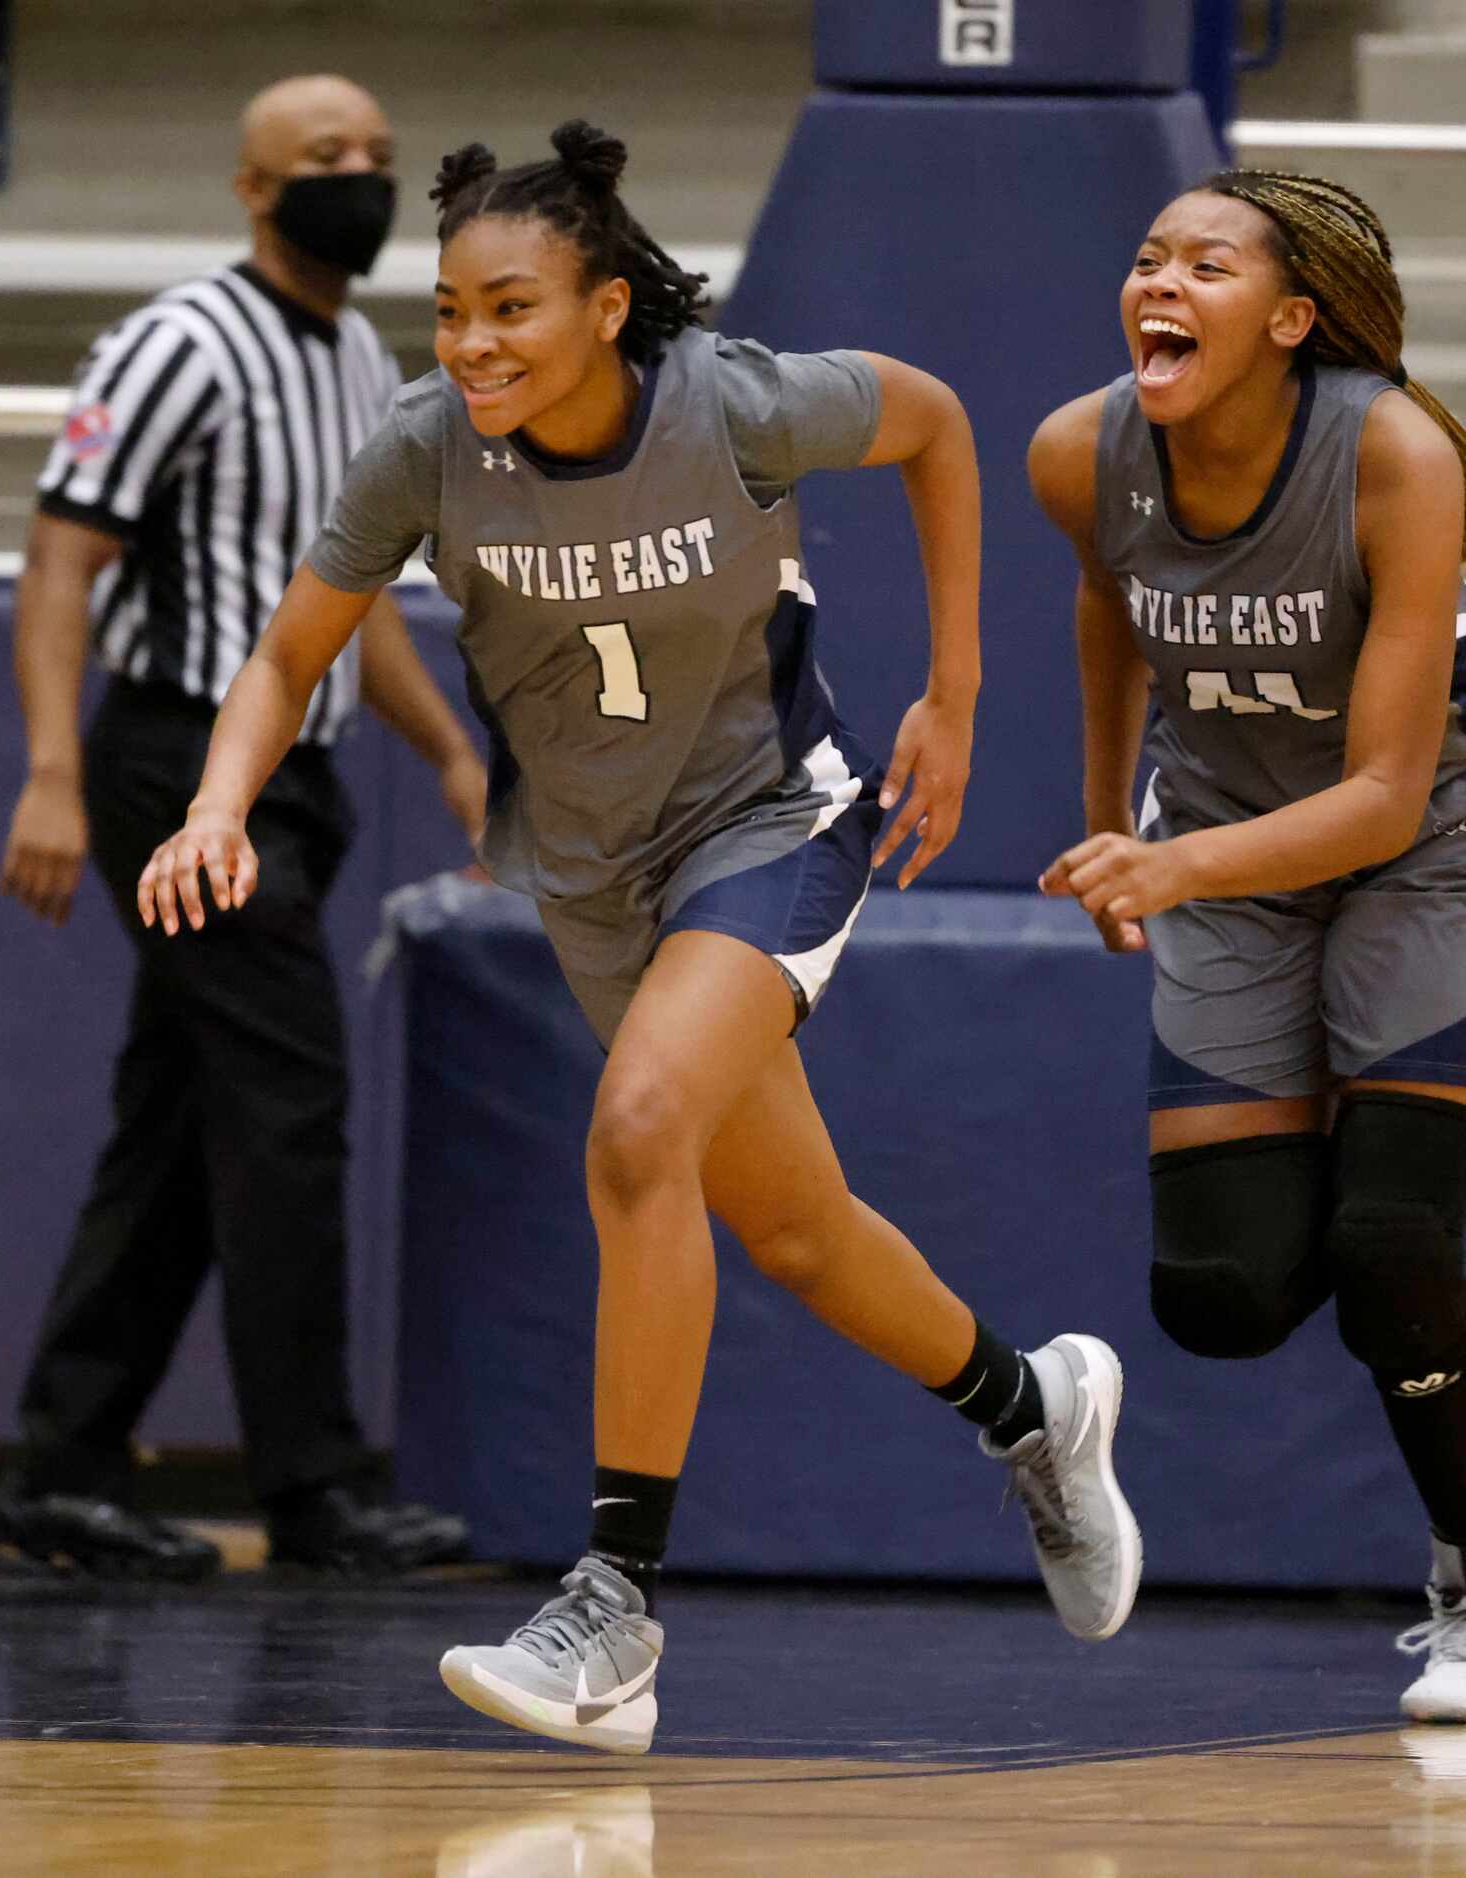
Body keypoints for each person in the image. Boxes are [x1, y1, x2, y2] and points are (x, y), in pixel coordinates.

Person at [138, 121, 1141, 1755]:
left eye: (511, 308)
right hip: (591, 876)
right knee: (802, 1233)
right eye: (452, 311)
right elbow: (284, 656)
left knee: (638, 1129)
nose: (473, 343)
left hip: (770, 827)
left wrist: (954, 692)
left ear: (607, 305)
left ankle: (612, 1603)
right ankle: (1038, 1409)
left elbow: (942, 426)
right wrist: (215, 806)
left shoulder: (731, 400)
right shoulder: (420, 449)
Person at [1029, 170, 1466, 1724]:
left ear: (1293, 319)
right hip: (1226, 851)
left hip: (1429, 851)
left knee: (1388, 1251)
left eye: (1208, 263)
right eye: (1148, 253)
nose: (1161, 279)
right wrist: (1110, 823)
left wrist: (1165, 860)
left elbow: (1375, 801)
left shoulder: (1388, 451)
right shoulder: (1078, 452)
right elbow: (1110, 605)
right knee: (1219, 1296)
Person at [0, 75, 483, 1582]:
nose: (363, 178)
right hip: (171, 765)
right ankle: (316, 1487)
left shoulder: (359, 365)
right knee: (287, 1103)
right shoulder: (177, 343)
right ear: (254, 187)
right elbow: (61, 561)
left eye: (383, 159)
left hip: (296, 783)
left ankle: (57, 1478)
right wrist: (53, 771)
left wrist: (456, 754)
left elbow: (349, 615)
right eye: (328, 157)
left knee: (182, 1131)